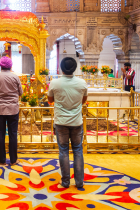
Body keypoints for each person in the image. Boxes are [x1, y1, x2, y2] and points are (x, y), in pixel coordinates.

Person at [47, 57, 88, 189]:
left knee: (63, 151)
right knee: (78, 150)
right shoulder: (82, 83)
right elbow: (83, 100)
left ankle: (65, 182)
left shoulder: (55, 83)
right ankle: (79, 182)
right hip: (76, 121)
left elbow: (50, 100)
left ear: (61, 68)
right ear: (75, 68)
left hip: (61, 121)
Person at [0, 56, 23, 166]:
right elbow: (21, 92)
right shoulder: (15, 78)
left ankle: (1, 160)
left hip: (0, 109)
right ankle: (13, 160)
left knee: (0, 133)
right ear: (11, 66)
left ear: (0, 65)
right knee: (13, 134)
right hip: (13, 108)